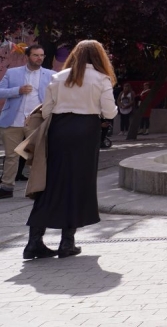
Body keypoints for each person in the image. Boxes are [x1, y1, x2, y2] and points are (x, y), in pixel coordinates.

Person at [23, 40, 118, 259]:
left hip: (59, 130)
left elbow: (46, 111)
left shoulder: (58, 77)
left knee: (50, 184)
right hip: (86, 133)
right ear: (99, 57)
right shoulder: (102, 79)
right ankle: (67, 242)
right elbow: (110, 112)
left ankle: (34, 242)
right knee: (79, 185)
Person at [0, 44, 54, 199]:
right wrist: (17, 90)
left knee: (37, 155)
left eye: (42, 55)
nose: (39, 58)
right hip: (13, 121)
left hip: (36, 121)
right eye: (36, 55)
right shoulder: (12, 73)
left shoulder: (51, 75)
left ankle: (36, 188)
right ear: (27, 56)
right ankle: (6, 187)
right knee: (11, 155)